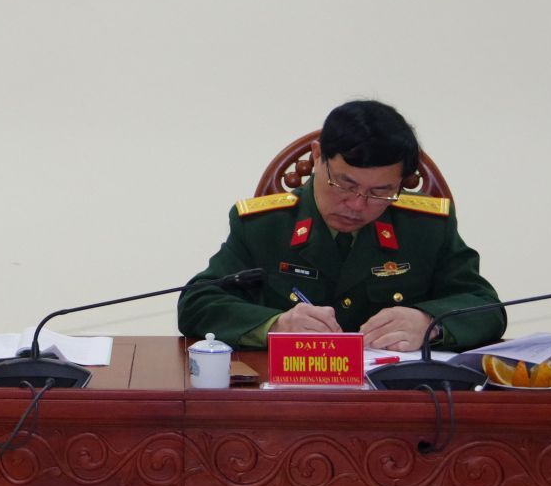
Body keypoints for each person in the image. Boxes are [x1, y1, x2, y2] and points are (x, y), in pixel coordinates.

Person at [177, 100, 503, 351]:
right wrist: (275, 325)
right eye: (345, 184)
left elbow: (486, 306)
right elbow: (198, 303)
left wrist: (430, 323)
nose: (357, 204)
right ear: (318, 156)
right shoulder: (264, 226)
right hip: (291, 399)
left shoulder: (425, 227)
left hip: (395, 400)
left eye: (381, 192)